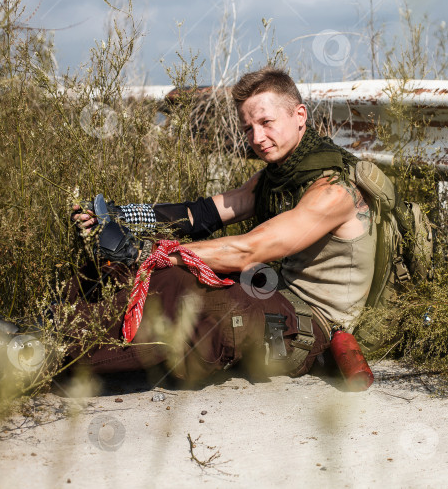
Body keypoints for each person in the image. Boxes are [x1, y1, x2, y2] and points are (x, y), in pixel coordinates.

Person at [67, 66, 379, 383]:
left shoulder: (333, 192)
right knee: (152, 267)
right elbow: (200, 215)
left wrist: (147, 252)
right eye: (248, 128)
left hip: (307, 326)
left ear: (299, 115)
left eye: (266, 122)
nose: (257, 138)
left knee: (193, 301)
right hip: (272, 290)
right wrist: (121, 217)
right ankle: (56, 320)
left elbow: (249, 250)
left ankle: (58, 353)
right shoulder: (280, 176)